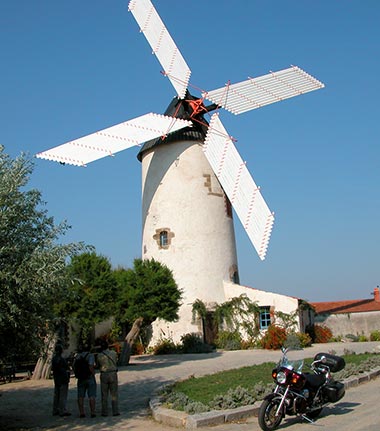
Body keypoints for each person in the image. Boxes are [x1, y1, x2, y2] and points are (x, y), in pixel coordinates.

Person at [96, 340, 120, 417]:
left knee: (104, 394)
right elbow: (116, 361)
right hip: (113, 373)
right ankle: (115, 411)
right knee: (114, 393)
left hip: (104, 374)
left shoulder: (99, 355)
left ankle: (104, 412)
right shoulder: (113, 353)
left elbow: (97, 365)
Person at [74, 344, 97, 418]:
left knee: (80, 396)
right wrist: (93, 374)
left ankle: (82, 412)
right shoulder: (90, 356)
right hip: (89, 377)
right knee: (92, 395)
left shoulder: (78, 356)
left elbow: (74, 366)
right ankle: (92, 412)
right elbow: (91, 366)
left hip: (81, 378)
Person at [51, 344, 71, 417]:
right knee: (63, 396)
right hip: (63, 379)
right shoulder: (61, 359)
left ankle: (55, 409)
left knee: (56, 395)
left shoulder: (54, 359)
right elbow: (66, 368)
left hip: (56, 379)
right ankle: (62, 410)